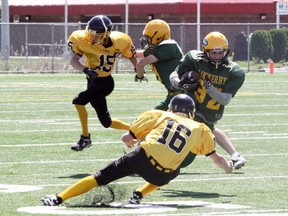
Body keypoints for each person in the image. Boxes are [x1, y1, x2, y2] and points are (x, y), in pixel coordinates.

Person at [41, 94, 233, 206]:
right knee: (175, 168)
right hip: (162, 176)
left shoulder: (160, 115)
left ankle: (58, 198)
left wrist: (131, 140)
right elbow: (216, 159)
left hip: (142, 157)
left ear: (171, 108)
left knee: (99, 177)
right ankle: (138, 195)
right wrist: (229, 168)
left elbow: (127, 137)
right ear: (191, 113)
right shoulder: (201, 128)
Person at [170, 31, 246, 169]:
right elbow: (174, 73)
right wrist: (178, 83)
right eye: (213, 53)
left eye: (220, 53)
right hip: (190, 106)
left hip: (211, 111)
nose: (217, 57)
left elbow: (225, 100)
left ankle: (234, 157)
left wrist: (209, 87)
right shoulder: (194, 59)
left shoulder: (234, 71)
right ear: (205, 52)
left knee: (187, 154)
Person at [67, 15, 137, 151]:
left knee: (78, 101)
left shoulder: (119, 41)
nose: (92, 37)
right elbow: (73, 61)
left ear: (106, 34)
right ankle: (135, 129)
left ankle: (85, 138)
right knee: (107, 122)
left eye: (96, 34)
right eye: (90, 32)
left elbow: (131, 56)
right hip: (92, 82)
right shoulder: (82, 40)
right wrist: (85, 69)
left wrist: (138, 70)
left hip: (105, 83)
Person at [134, 19, 183, 110]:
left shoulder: (168, 47)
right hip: (175, 93)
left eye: (148, 37)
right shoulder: (161, 47)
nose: (146, 40)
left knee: (153, 117)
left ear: (158, 37)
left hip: (181, 94)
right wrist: (123, 52)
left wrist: (139, 76)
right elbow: (139, 54)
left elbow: (141, 64)